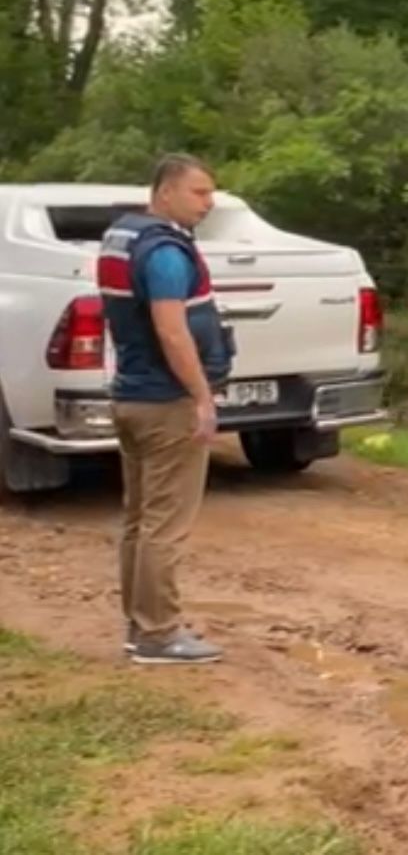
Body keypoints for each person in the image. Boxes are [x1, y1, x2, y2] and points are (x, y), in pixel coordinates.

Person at [98, 154, 233, 665]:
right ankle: (158, 637)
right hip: (165, 403)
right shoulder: (166, 253)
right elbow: (172, 330)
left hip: (131, 395)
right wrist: (202, 396)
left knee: (139, 521)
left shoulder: (122, 238)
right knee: (164, 526)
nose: (209, 202)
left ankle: (141, 627)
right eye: (199, 193)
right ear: (166, 192)